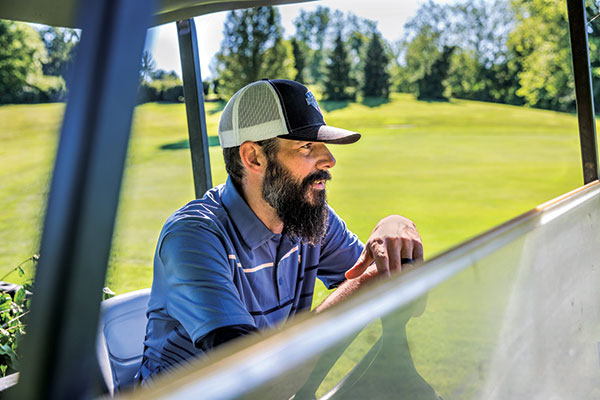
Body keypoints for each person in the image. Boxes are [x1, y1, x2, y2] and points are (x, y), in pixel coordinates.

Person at [137, 79, 423, 383]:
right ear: (254, 157)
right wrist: (363, 284)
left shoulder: (305, 217)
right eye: (307, 146)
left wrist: (394, 228)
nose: (330, 160)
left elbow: (403, 297)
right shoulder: (192, 237)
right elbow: (252, 380)